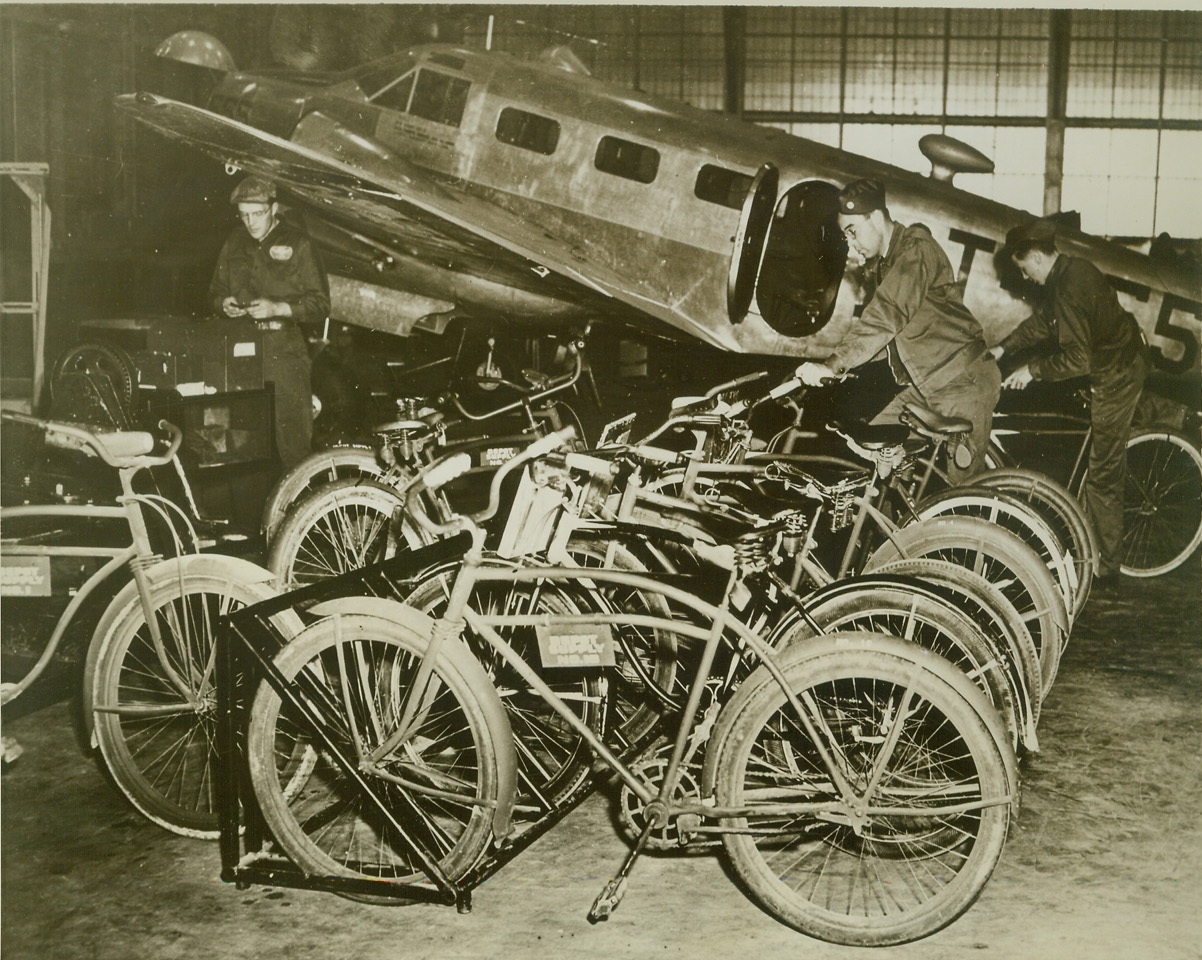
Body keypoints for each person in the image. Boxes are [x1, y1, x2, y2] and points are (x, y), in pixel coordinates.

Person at [795, 178, 1001, 482]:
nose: (851, 247)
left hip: (963, 381)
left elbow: (886, 317)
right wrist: (832, 371)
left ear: (875, 218)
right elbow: (888, 339)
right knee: (877, 448)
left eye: (853, 232)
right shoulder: (886, 263)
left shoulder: (915, 251)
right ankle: (893, 525)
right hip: (926, 382)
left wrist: (834, 363)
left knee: (962, 497)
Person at [989, 216, 1148, 587]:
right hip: (1123, 355)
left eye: (1024, 268)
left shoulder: (1067, 288)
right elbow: (1044, 322)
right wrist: (1003, 347)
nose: (1025, 277)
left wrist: (1033, 371)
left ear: (1038, 259)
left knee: (1103, 473)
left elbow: (1079, 360)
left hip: (1116, 374)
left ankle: (1106, 569)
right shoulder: (1072, 270)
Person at [207, 176, 329, 470]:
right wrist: (223, 304)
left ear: (273, 208)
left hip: (282, 351)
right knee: (232, 444)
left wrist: (279, 307)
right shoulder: (235, 242)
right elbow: (214, 292)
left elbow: (321, 305)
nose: (250, 222)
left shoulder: (299, 244)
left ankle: (301, 511)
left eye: (257, 213)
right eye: (244, 214)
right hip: (238, 351)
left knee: (294, 445)